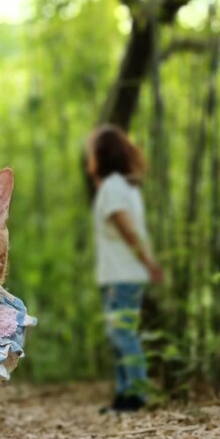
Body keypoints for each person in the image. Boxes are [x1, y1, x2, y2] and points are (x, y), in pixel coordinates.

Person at [87, 124, 163, 412]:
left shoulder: (113, 188)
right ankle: (124, 395)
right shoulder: (122, 187)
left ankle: (136, 394)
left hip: (124, 274)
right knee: (118, 333)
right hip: (120, 273)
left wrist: (149, 264)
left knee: (123, 334)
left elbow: (129, 232)